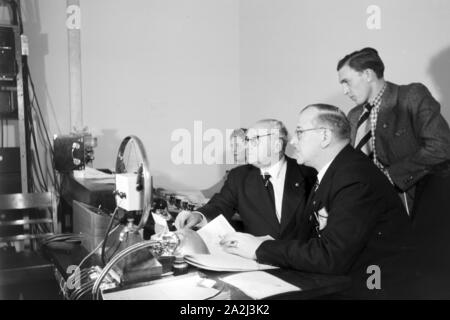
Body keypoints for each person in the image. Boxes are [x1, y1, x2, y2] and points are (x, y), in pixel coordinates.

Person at [220, 105, 414, 299]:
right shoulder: (334, 172)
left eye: (300, 133)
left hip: (375, 286)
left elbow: (330, 256)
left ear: (324, 136)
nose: (293, 141)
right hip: (347, 278)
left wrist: (259, 249)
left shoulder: (354, 178)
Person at [337, 48, 450, 297]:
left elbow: (442, 146)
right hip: (371, 222)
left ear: (367, 74)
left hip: (417, 219)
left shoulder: (411, 96)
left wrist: (388, 177)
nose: (344, 90)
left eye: (347, 81)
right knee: (375, 287)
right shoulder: (354, 116)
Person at [175, 119, 317, 241]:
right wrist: (198, 216)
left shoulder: (309, 174)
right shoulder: (239, 176)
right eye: (247, 140)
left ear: (277, 145)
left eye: (254, 140)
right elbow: (219, 205)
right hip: (259, 263)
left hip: (301, 264)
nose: (247, 145)